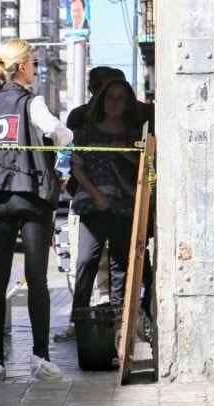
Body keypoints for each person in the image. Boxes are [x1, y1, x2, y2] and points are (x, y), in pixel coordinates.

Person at [0, 38, 73, 381]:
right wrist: (62, 137)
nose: (37, 67)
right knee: (37, 279)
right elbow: (57, 132)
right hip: (29, 196)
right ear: (23, 66)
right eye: (34, 61)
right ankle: (39, 357)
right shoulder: (32, 102)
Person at [54, 66, 121, 342]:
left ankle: (112, 320)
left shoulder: (125, 118)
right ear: (95, 89)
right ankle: (79, 319)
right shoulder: (80, 116)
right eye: (108, 89)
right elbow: (72, 158)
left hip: (118, 202)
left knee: (113, 264)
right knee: (81, 264)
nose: (114, 98)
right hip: (83, 201)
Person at [69, 79, 141, 318]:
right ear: (102, 100)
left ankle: (120, 317)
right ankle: (79, 315)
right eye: (110, 96)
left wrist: (127, 154)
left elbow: (146, 167)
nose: (114, 102)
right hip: (92, 205)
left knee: (120, 263)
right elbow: (77, 166)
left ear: (128, 102)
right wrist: (97, 195)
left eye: (120, 97)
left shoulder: (134, 134)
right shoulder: (89, 130)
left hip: (124, 207)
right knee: (86, 260)